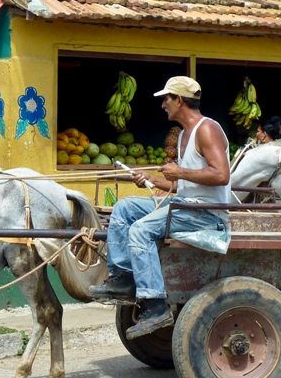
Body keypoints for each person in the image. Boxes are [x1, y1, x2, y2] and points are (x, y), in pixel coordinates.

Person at [89, 77, 231, 338]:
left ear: (179, 100)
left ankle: (155, 305)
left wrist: (180, 171)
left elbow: (221, 175)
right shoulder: (183, 136)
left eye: (167, 99)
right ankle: (123, 278)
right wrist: (154, 180)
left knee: (141, 230)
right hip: (187, 206)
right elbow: (188, 185)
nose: (163, 104)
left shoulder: (206, 129)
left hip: (205, 214)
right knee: (125, 207)